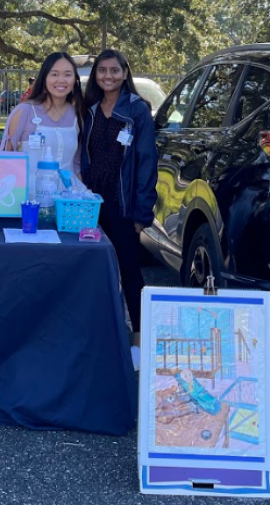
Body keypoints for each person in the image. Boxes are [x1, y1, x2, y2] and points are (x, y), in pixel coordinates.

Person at [81, 49, 158, 367]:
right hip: (90, 202)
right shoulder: (91, 108)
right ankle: (98, 337)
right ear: (95, 75)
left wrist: (142, 214)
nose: (108, 76)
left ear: (125, 73)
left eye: (114, 70)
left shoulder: (138, 109)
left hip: (123, 204)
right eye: (102, 71)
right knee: (93, 269)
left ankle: (139, 341)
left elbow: (146, 162)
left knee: (129, 271)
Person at [1, 54, 83, 175]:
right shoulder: (24, 111)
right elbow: (4, 158)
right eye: (54, 74)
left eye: (68, 74)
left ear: (74, 80)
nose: (61, 80)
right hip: (30, 193)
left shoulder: (78, 114)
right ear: (44, 78)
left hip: (70, 192)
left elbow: (77, 164)